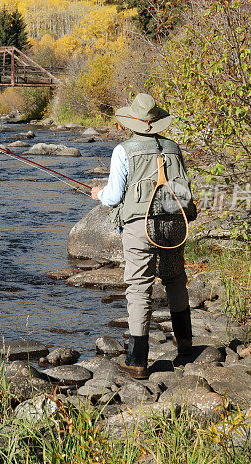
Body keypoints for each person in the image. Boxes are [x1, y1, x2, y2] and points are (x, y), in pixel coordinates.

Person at [90, 93, 197, 379]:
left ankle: (137, 361)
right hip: (174, 222)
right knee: (175, 279)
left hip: (140, 226)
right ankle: (185, 344)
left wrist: (98, 194)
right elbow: (184, 190)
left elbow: (113, 198)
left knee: (139, 287)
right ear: (157, 122)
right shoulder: (173, 148)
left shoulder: (123, 150)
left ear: (132, 123)